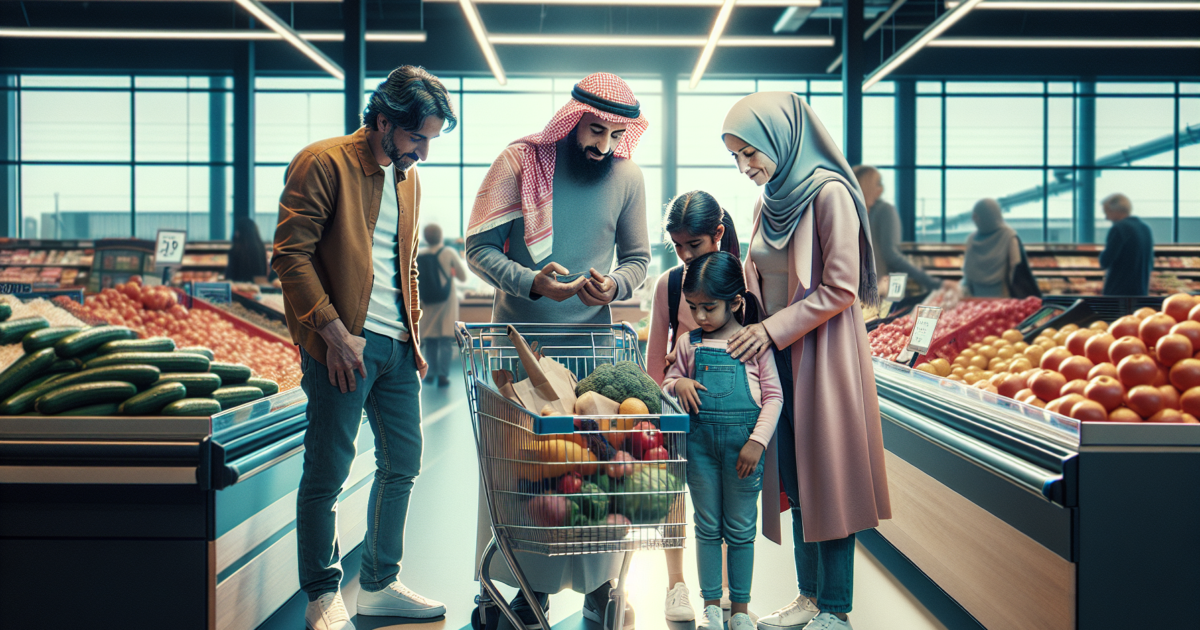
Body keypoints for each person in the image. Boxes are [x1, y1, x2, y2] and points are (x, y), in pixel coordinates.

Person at [273, 66, 457, 630]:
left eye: (430, 139)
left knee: (403, 463)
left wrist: (416, 335)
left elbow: (404, 268)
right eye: (416, 137)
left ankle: (378, 584)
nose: (423, 151)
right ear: (383, 121)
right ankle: (321, 595)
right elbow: (289, 256)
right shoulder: (322, 162)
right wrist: (332, 333)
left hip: (397, 348)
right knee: (327, 470)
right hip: (340, 346)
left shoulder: (409, 178)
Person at [465, 72, 650, 630]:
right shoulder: (518, 163)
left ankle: (598, 585)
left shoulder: (629, 177)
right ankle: (528, 590)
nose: (604, 145)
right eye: (595, 130)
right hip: (520, 350)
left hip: (592, 352)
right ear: (571, 120)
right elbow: (477, 248)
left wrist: (614, 286)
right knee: (521, 475)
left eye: (617, 135)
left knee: (594, 477)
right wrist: (529, 282)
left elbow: (638, 260)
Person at [721, 92, 891, 630]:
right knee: (795, 478)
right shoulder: (767, 201)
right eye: (737, 158)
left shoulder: (829, 195)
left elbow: (841, 286)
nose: (747, 167)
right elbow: (759, 276)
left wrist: (770, 329)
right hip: (777, 364)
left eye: (752, 153)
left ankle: (836, 609)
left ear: (781, 137)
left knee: (830, 479)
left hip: (822, 359)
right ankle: (809, 597)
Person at [662, 251, 784, 630]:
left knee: (741, 530)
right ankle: (712, 607)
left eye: (709, 307)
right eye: (693, 307)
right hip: (699, 452)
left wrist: (758, 442)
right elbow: (666, 386)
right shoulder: (688, 344)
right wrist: (677, 383)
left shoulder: (753, 345)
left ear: (735, 302)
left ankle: (741, 611)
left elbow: (774, 397)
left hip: (744, 453)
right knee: (707, 527)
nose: (700, 316)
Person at [646, 190, 745, 623]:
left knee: (722, 506)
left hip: (730, 414)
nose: (685, 255)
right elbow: (654, 359)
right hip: (676, 410)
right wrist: (664, 398)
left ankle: (721, 590)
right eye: (678, 246)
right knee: (672, 497)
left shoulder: (742, 280)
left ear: (718, 234)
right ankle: (676, 585)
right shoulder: (669, 284)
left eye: (695, 245)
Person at [852, 165, 947, 295]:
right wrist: (933, 283)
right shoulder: (884, 211)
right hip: (881, 290)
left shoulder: (848, 213)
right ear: (868, 185)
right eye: (878, 183)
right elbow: (892, 256)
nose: (881, 189)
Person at [416, 223, 467, 388]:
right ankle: (443, 375)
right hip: (447, 300)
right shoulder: (449, 252)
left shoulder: (419, 254)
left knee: (430, 339)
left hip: (428, 301)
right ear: (440, 236)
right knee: (445, 340)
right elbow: (463, 277)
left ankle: (430, 373)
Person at [961, 198, 1040, 299]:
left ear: (987, 216)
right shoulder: (972, 240)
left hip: (999, 302)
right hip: (983, 302)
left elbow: (1017, 276)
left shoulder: (1009, 238)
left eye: (976, 216)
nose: (974, 219)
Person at [1099, 193, 1154, 296]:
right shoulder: (1145, 228)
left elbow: (1105, 261)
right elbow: (1151, 263)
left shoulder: (1119, 228)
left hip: (1119, 293)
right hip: (1140, 292)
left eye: (1107, 212)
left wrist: (1102, 254)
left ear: (1115, 210)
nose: (1106, 217)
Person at [226, 217, 270, 282]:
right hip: (259, 286)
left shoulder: (236, 250)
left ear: (239, 232)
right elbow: (266, 272)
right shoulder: (261, 248)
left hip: (239, 288)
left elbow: (230, 275)